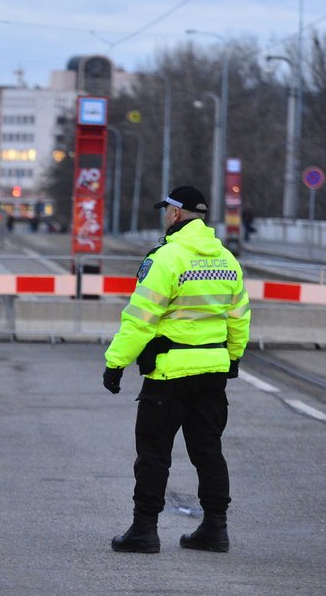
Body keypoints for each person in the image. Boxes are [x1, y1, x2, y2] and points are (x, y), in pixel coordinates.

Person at [102, 186, 251, 554]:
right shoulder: (227, 260)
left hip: (169, 374)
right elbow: (239, 317)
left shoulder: (166, 259)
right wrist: (232, 358)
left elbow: (139, 319)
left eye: (167, 209)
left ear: (175, 214)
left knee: (153, 453)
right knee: (208, 450)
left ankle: (144, 530)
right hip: (213, 372)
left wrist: (115, 363)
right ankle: (216, 529)